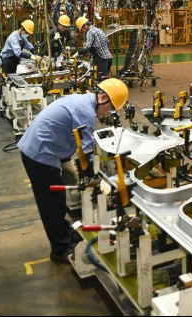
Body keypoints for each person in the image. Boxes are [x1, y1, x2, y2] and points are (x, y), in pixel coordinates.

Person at [18, 78, 130, 263]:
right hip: (39, 154)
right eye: (109, 109)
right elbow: (85, 154)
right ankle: (60, 249)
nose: (106, 114)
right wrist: (98, 182)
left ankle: (65, 234)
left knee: (57, 200)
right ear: (102, 98)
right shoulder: (85, 111)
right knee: (52, 204)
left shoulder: (81, 101)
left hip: (44, 149)